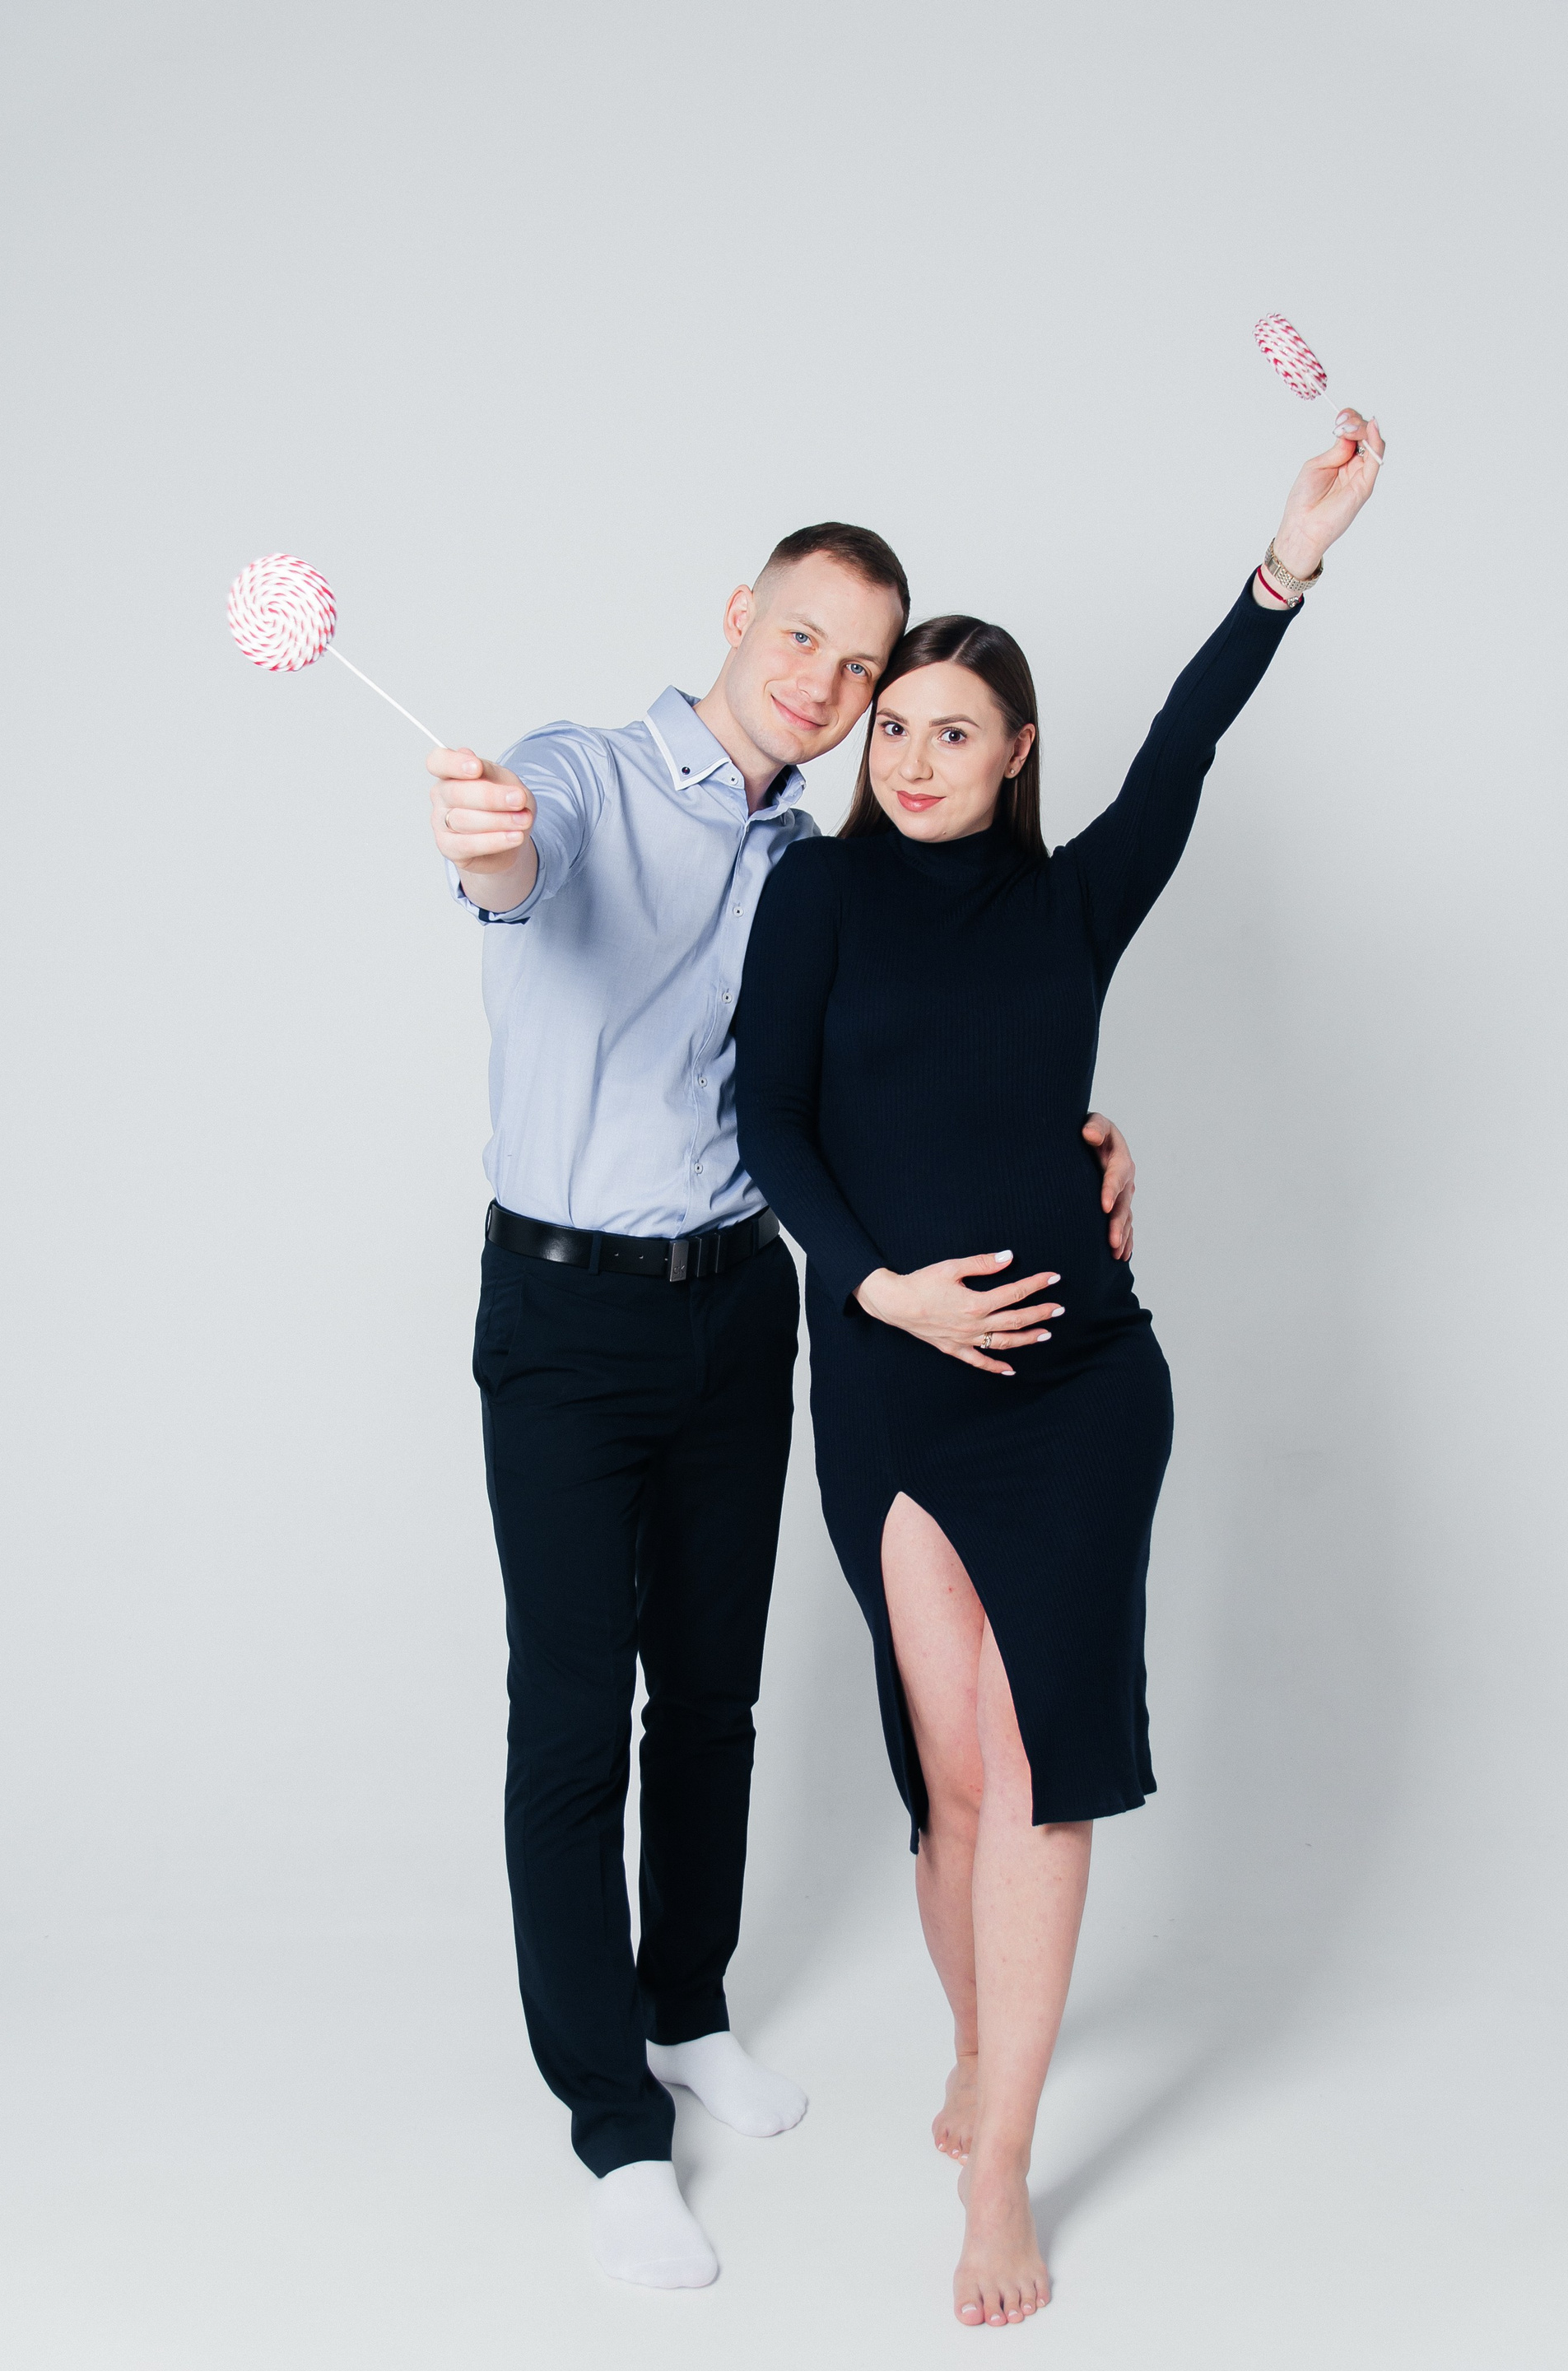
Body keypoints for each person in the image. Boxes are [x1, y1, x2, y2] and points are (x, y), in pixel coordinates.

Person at [424, 524, 1142, 2289]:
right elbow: (518, 857)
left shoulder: (819, 860)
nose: (826, 683)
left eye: (862, 667)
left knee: (713, 1701)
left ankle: (686, 2012)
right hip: (569, 1311)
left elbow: (897, 1055)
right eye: (803, 637)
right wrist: (491, 843)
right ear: (742, 619)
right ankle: (615, 2124)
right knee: (574, 1721)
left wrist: (1076, 1145)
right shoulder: (588, 773)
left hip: (745, 1305)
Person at [735, 416, 1384, 2327]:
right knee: (952, 1777)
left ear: (1018, 752)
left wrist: (1288, 558)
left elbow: (1191, 737)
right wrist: (883, 1295)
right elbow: (771, 1121)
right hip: (891, 1386)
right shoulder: (815, 894)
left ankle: (1003, 2156)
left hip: (1081, 1388)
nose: (915, 756)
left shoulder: (1075, 900)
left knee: (1038, 1770)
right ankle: (975, 2040)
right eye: (895, 726)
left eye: (956, 730)